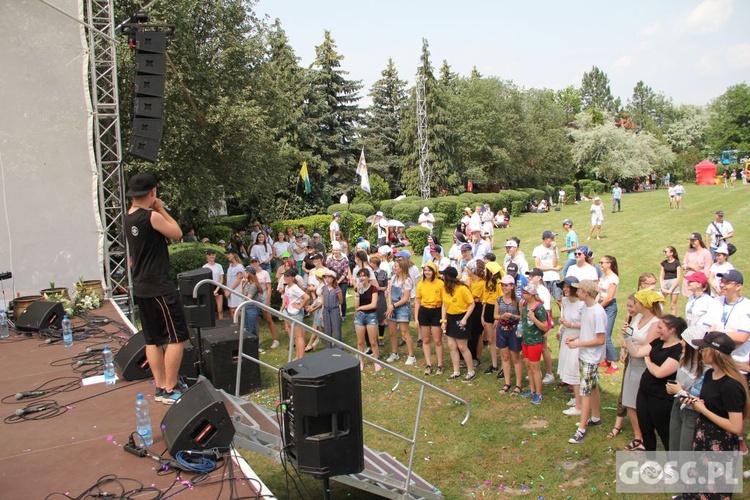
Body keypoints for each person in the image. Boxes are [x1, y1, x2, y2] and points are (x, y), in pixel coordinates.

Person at [124, 173, 190, 404]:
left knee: (152, 339)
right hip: (159, 287)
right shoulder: (150, 216)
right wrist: (161, 209)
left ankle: (161, 385)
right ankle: (171, 388)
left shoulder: (128, 217)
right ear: (152, 193)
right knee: (177, 336)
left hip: (141, 285)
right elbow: (177, 233)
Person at [682, 331, 749, 499]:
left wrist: (703, 410)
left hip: (721, 446)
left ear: (715, 352)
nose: (700, 351)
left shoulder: (731, 385)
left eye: (704, 348)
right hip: (702, 437)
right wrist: (695, 401)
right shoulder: (710, 375)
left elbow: (735, 426)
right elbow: (712, 403)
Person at [623, 314, 684, 451]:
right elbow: (637, 352)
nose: (657, 330)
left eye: (660, 328)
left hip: (661, 397)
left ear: (672, 330)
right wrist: (627, 338)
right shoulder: (658, 342)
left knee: (664, 431)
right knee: (645, 427)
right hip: (644, 391)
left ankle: (672, 464)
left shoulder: (678, 350)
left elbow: (660, 372)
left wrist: (648, 361)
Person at [619, 290, 664, 451]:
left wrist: (630, 344)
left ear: (644, 304)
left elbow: (647, 347)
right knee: (630, 401)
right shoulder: (637, 317)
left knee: (643, 404)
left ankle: (647, 437)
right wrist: (626, 348)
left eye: (636, 302)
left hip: (645, 366)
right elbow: (625, 339)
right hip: (632, 363)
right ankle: (638, 436)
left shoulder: (655, 323)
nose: (633, 305)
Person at [566, 279, 607, 444]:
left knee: (585, 392)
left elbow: (600, 339)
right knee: (593, 386)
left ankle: (581, 429)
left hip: (591, 357)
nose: (577, 292)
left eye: (580, 290)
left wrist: (578, 344)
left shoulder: (598, 312)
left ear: (587, 292)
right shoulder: (586, 309)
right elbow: (586, 328)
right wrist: (576, 336)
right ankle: (595, 417)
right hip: (585, 354)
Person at [665, 325, 704, 453]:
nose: (681, 343)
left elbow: (700, 397)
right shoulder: (683, 358)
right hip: (677, 405)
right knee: (674, 445)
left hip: (692, 412)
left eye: (684, 341)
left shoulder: (705, 369)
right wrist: (673, 389)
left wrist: (680, 391)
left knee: (685, 450)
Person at [441, 266, 477, 381]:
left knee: (462, 346)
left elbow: (472, 304)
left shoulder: (462, 289)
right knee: (452, 346)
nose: (442, 277)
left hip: (461, 317)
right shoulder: (444, 288)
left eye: (444, 275)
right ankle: (456, 371)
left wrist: (465, 318)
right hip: (450, 317)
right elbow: (444, 305)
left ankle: (471, 371)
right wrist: (443, 320)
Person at [557, 276, 585, 416]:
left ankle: (579, 406)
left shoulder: (582, 304)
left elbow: (587, 325)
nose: (565, 289)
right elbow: (564, 319)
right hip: (567, 336)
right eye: (564, 287)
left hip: (578, 337)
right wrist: (561, 325)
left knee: (575, 370)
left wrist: (572, 325)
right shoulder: (565, 301)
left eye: (568, 286)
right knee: (568, 366)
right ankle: (577, 398)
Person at [519, 283, 549, 405]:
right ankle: (532, 389)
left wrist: (534, 317)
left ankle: (539, 393)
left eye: (525, 293)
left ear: (532, 294)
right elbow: (524, 319)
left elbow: (545, 326)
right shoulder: (525, 304)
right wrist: (521, 310)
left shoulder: (539, 308)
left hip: (535, 342)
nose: (523, 294)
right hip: (525, 340)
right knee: (528, 367)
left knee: (535, 368)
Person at [494, 275, 523, 396]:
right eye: (502, 285)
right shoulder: (498, 300)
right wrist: (501, 317)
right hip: (502, 329)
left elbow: (522, 317)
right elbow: (495, 315)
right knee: (505, 357)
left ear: (512, 286)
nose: (504, 287)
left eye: (506, 285)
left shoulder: (518, 301)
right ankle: (507, 383)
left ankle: (518, 384)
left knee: (515, 357)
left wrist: (512, 316)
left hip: (514, 330)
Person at [415, 261, 445, 376]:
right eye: (425, 270)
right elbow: (417, 302)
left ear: (434, 271)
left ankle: (440, 365)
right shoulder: (420, 284)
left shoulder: (440, 284)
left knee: (437, 340)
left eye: (429, 270)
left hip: (436, 311)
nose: (427, 272)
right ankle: (428, 364)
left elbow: (444, 303)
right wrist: (417, 318)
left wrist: (443, 318)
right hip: (424, 311)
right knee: (426, 340)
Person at [385, 257, 416, 366]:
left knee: (404, 332)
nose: (394, 268)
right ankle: (394, 353)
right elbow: (389, 293)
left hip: (402, 307)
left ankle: (411, 355)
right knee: (392, 332)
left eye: (396, 266)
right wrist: (390, 305)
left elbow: (405, 298)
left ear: (402, 268)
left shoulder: (407, 280)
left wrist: (393, 305)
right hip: (392, 307)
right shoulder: (393, 278)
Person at [353, 267, 381, 371]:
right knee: (360, 341)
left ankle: (376, 360)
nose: (362, 278)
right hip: (360, 317)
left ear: (368, 277)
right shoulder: (358, 289)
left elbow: (373, 304)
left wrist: (361, 308)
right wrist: (358, 293)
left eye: (364, 275)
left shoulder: (373, 288)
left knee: (373, 341)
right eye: (360, 276)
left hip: (371, 316)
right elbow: (356, 305)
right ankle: (361, 361)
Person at [249, 257, 280, 348]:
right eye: (252, 262)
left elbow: (269, 287)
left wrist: (268, 301)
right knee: (255, 320)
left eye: (255, 262)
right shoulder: (250, 274)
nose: (254, 264)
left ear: (258, 262)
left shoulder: (264, 273)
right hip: (255, 298)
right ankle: (257, 339)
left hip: (263, 298)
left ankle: (275, 340)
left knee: (268, 319)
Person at [280, 268, 310, 361]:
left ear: (293, 278)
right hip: (288, 312)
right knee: (294, 336)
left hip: (295, 314)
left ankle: (301, 357)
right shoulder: (287, 287)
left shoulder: (295, 288)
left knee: (299, 336)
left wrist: (300, 306)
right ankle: (298, 356)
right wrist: (281, 309)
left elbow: (306, 297)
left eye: (287, 276)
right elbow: (286, 300)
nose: (285, 278)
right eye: (284, 276)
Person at [598, 255, 620, 375]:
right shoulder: (604, 276)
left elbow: (610, 297)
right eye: (600, 262)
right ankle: (607, 359)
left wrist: (599, 307)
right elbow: (600, 292)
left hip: (609, 307)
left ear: (609, 263)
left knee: (606, 336)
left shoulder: (613, 278)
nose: (601, 264)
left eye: (603, 262)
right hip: (602, 303)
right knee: (601, 333)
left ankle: (614, 364)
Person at [481, 262, 504, 374]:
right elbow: (485, 300)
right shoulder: (487, 282)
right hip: (488, 310)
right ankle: (494, 365)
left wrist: (497, 318)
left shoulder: (499, 283)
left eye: (486, 270)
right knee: (491, 340)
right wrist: (482, 315)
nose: (484, 271)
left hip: (496, 310)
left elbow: (500, 300)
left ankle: (504, 367)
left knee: (499, 340)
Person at [532, 230, 561, 311]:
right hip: (544, 278)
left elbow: (555, 264)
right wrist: (552, 268)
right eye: (551, 238)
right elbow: (537, 266)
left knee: (558, 300)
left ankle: (565, 316)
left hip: (554, 277)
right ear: (545, 239)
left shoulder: (554, 249)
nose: (553, 240)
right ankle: (547, 319)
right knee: (545, 301)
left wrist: (554, 250)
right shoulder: (537, 249)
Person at [326, 242, 351, 319]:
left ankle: (343, 315)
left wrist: (338, 281)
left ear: (340, 250)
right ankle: (334, 314)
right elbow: (328, 270)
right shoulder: (329, 259)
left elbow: (345, 272)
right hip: (333, 281)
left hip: (342, 281)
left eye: (337, 250)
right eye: (334, 250)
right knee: (332, 297)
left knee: (342, 297)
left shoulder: (344, 259)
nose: (335, 252)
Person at [240, 266, 265, 343]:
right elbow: (240, 293)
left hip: (252, 308)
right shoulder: (246, 283)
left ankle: (256, 345)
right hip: (246, 307)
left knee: (252, 329)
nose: (244, 273)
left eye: (245, 272)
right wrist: (241, 283)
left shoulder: (254, 285)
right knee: (246, 328)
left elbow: (248, 297)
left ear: (248, 273)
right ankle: (249, 345)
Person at [320, 269, 343, 348]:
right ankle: (328, 347)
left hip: (334, 309)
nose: (327, 279)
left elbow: (341, 300)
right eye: (326, 277)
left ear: (333, 278)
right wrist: (322, 313)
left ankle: (339, 347)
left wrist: (339, 311)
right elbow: (323, 301)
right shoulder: (324, 288)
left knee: (336, 329)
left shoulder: (337, 288)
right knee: (327, 329)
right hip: (326, 309)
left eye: (329, 277)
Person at [660, 246, 683, 314]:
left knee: (673, 305)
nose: (664, 253)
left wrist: (671, 289)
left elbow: (679, 277)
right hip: (665, 282)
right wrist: (662, 287)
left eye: (666, 252)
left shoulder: (677, 263)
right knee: (659, 303)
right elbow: (661, 276)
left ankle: (673, 322)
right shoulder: (663, 263)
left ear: (671, 253)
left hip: (674, 283)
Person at [203, 249, 225, 321]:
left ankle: (221, 321)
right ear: (207, 256)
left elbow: (221, 279)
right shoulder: (205, 267)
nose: (212, 256)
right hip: (209, 287)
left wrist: (216, 290)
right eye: (210, 255)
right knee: (210, 308)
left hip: (218, 286)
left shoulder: (219, 266)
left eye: (213, 254)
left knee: (220, 309)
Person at [225, 249, 245, 323]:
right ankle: (235, 326)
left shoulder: (239, 266)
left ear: (233, 255)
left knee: (235, 309)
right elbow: (228, 279)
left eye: (229, 254)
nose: (228, 256)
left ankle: (246, 320)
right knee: (231, 309)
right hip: (230, 290)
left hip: (236, 290)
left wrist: (230, 290)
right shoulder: (230, 266)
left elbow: (238, 280)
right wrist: (226, 289)